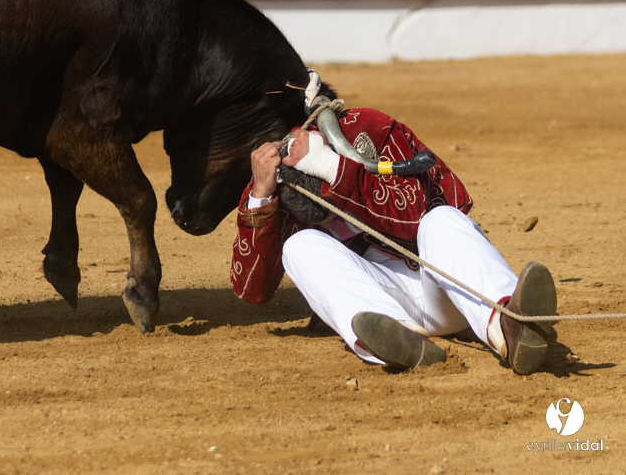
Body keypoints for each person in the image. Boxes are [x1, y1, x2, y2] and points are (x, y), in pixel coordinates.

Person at [230, 85, 558, 374]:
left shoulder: (369, 128)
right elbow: (252, 290)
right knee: (298, 246)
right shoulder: (272, 175)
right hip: (381, 302)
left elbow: (420, 214)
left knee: (440, 219)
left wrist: (334, 169)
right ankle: (398, 341)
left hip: (449, 291)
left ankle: (508, 323)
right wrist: (260, 194)